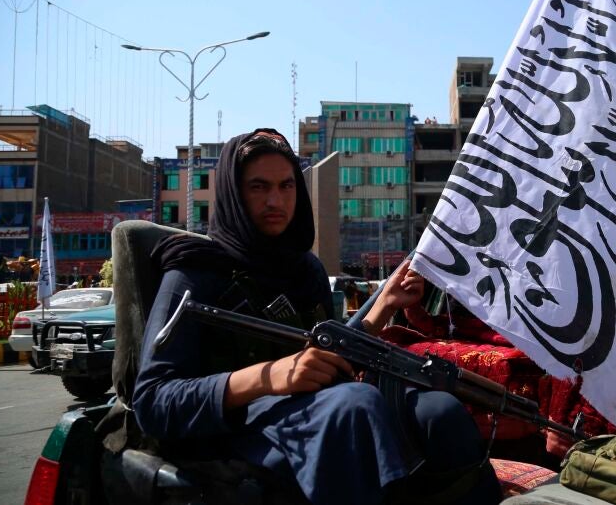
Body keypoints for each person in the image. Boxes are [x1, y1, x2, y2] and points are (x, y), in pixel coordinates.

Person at [132, 129, 501, 505]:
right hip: (237, 431)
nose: (275, 200)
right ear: (233, 192)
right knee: (354, 406)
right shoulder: (196, 272)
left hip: (312, 409)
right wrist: (268, 377)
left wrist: (385, 304)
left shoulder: (304, 270)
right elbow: (153, 400)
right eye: (258, 187)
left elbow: (327, 355)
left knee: (439, 412)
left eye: (286, 186)